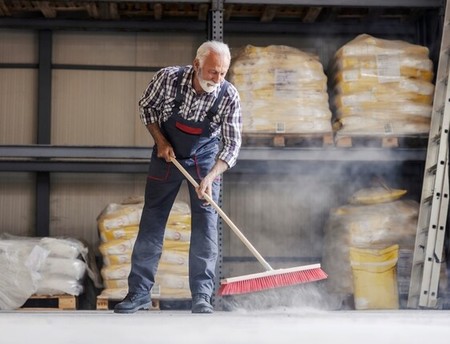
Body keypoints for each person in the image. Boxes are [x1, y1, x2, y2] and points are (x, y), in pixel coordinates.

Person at [114, 40, 242, 314]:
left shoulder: (229, 95)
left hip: (206, 161)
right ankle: (138, 294)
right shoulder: (168, 78)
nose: (217, 79)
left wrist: (211, 176)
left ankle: (202, 297)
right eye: (212, 72)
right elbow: (147, 108)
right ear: (196, 65)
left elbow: (231, 146)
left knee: (206, 226)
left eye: (222, 73)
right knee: (152, 220)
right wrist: (160, 140)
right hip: (166, 155)